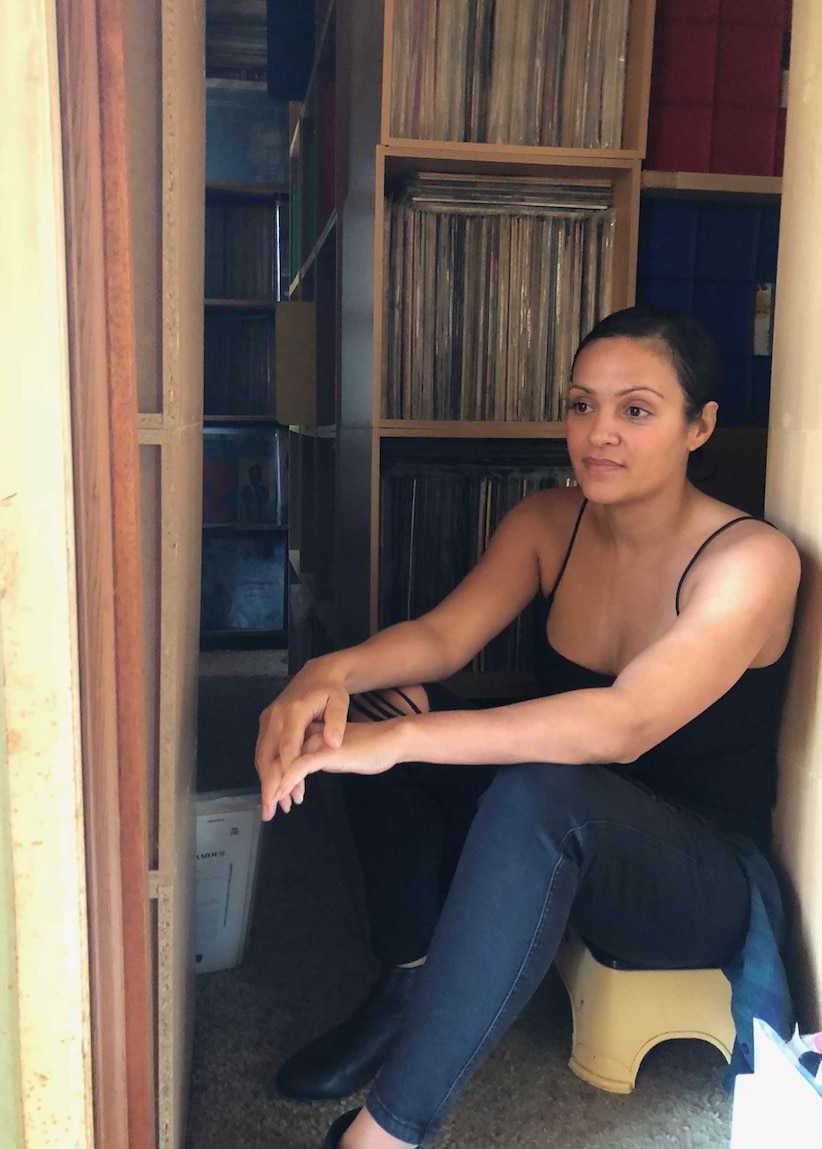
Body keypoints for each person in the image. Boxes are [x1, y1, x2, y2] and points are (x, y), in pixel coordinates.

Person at [254, 306, 800, 1149]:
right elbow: (442, 639)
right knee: (370, 713)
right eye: (582, 405)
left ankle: (386, 1132)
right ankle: (408, 983)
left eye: (636, 409)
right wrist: (327, 675)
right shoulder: (552, 520)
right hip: (564, 804)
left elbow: (621, 725)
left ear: (702, 425)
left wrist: (402, 740)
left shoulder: (751, 559)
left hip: (696, 874)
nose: (599, 433)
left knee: (519, 780)